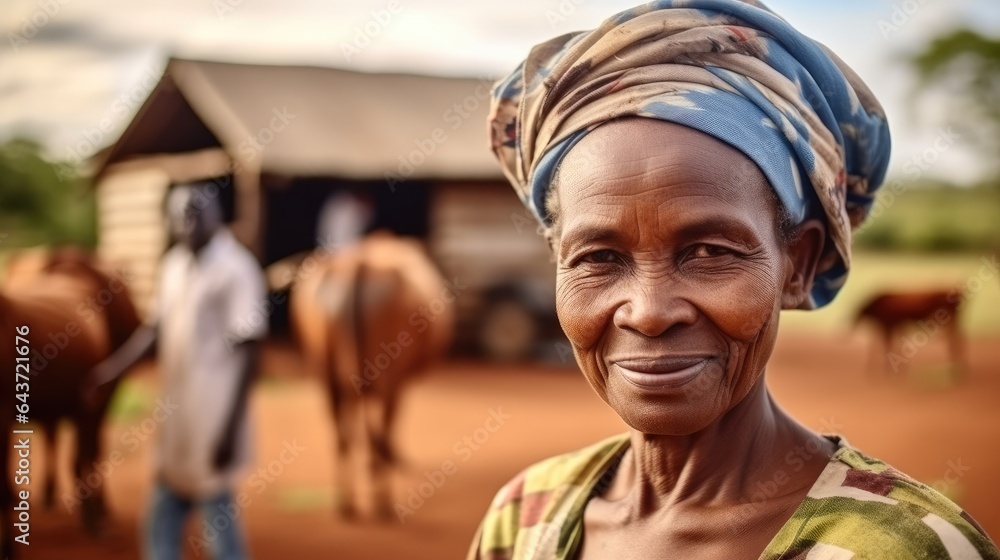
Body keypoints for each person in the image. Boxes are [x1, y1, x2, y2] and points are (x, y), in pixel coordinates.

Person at [468, 1, 1000, 558]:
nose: (648, 312)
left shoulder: (905, 549)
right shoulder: (523, 519)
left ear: (797, 263)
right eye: (598, 257)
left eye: (708, 251)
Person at [88, 181, 267, 560]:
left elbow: (251, 348)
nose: (186, 224)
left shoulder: (236, 269)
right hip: (178, 409)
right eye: (177, 216)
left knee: (214, 512)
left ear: (216, 215)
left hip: (214, 411)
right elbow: (156, 328)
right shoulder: (173, 265)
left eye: (194, 215)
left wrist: (230, 429)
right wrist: (114, 370)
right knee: (166, 508)